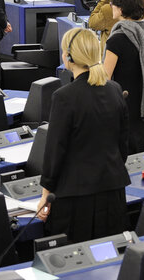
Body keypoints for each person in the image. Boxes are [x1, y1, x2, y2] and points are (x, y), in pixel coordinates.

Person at [37, 28, 129, 242]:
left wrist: (45, 196)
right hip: (113, 194)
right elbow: (122, 147)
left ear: (69, 57)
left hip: (76, 201)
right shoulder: (115, 90)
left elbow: (54, 154)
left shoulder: (64, 97)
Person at [104, 0, 144, 154]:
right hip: (142, 109)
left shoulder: (117, 39)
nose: (111, 6)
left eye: (112, 3)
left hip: (124, 108)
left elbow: (104, 78)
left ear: (120, 8)